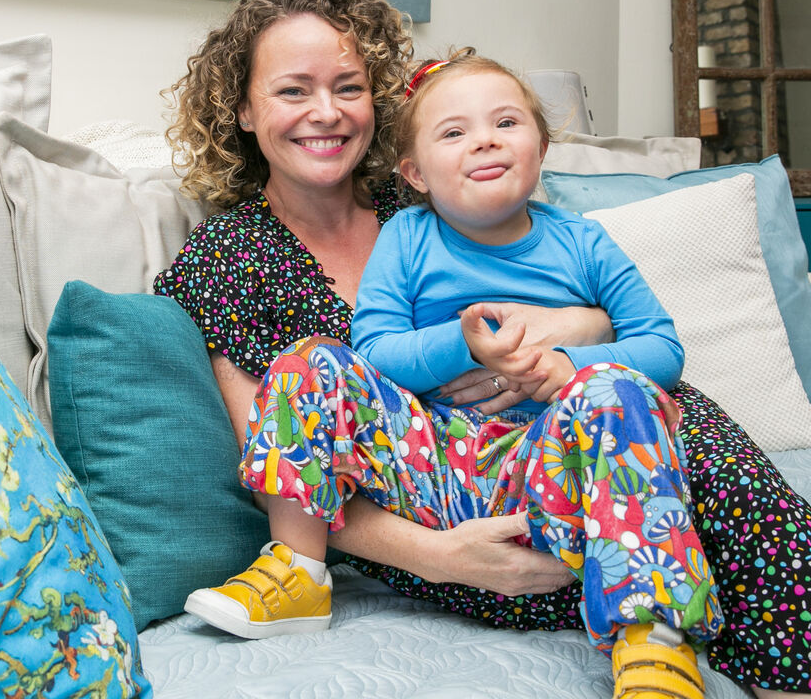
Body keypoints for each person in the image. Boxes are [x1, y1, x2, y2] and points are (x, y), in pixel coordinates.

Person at [154, 0, 811, 699]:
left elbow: (605, 307)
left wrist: (557, 342)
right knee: (696, 487)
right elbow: (282, 453)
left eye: (348, 87)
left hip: (581, 424)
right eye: (293, 91)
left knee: (681, 444)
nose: (326, 112)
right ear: (244, 108)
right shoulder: (234, 256)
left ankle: (728, 645)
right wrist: (447, 556)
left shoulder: (434, 196)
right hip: (454, 509)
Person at [185, 48, 724, 699]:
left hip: (549, 476)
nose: (484, 142)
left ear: (543, 144)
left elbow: (662, 348)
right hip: (433, 469)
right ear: (413, 173)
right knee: (313, 359)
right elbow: (375, 350)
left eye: (506, 123)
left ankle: (653, 641)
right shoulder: (408, 238)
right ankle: (298, 570)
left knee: (622, 390)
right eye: (454, 132)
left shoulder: (585, 242)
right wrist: (467, 344)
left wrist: (566, 365)